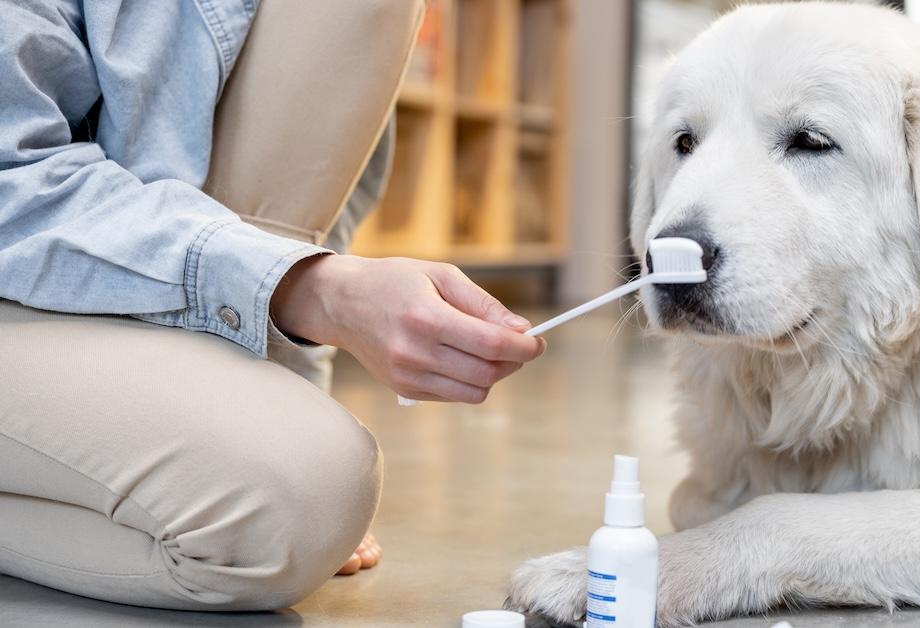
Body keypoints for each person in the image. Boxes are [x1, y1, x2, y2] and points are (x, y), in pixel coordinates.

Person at [0, 0, 544, 611]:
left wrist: (286, 367)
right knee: (288, 511)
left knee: (307, 490)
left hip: (132, 286)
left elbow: (314, 201)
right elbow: (10, 177)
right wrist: (309, 291)